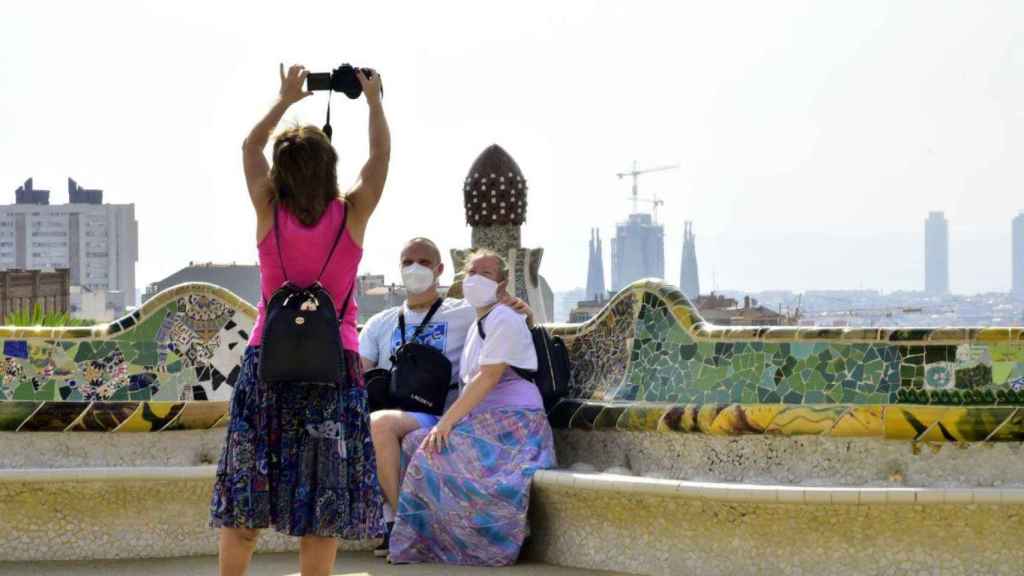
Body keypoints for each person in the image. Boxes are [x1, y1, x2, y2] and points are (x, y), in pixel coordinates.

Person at [209, 63, 389, 576]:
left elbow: (249, 148)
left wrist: (287, 98)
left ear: (282, 172)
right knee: (322, 494)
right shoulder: (352, 214)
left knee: (248, 485)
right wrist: (374, 102)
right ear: (330, 168)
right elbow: (379, 159)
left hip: (269, 365)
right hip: (334, 370)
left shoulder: (269, 211)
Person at [359, 237, 531, 558]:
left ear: (439, 269)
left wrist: (524, 311)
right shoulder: (379, 324)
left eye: (424, 262)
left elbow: (509, 327)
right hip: (394, 409)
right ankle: (397, 521)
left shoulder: (463, 313)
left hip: (440, 413)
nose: (415, 268)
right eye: (408, 261)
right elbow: (358, 372)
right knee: (374, 424)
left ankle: (401, 524)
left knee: (379, 426)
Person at [387, 249, 557, 566]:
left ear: (502, 284)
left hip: (514, 425)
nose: (476, 279)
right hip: (485, 420)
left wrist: (445, 422)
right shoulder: (478, 320)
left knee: (431, 448)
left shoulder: (503, 319)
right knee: (413, 442)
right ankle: (430, 540)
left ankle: (475, 545)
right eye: (471, 272)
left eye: (487, 274)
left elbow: (489, 377)